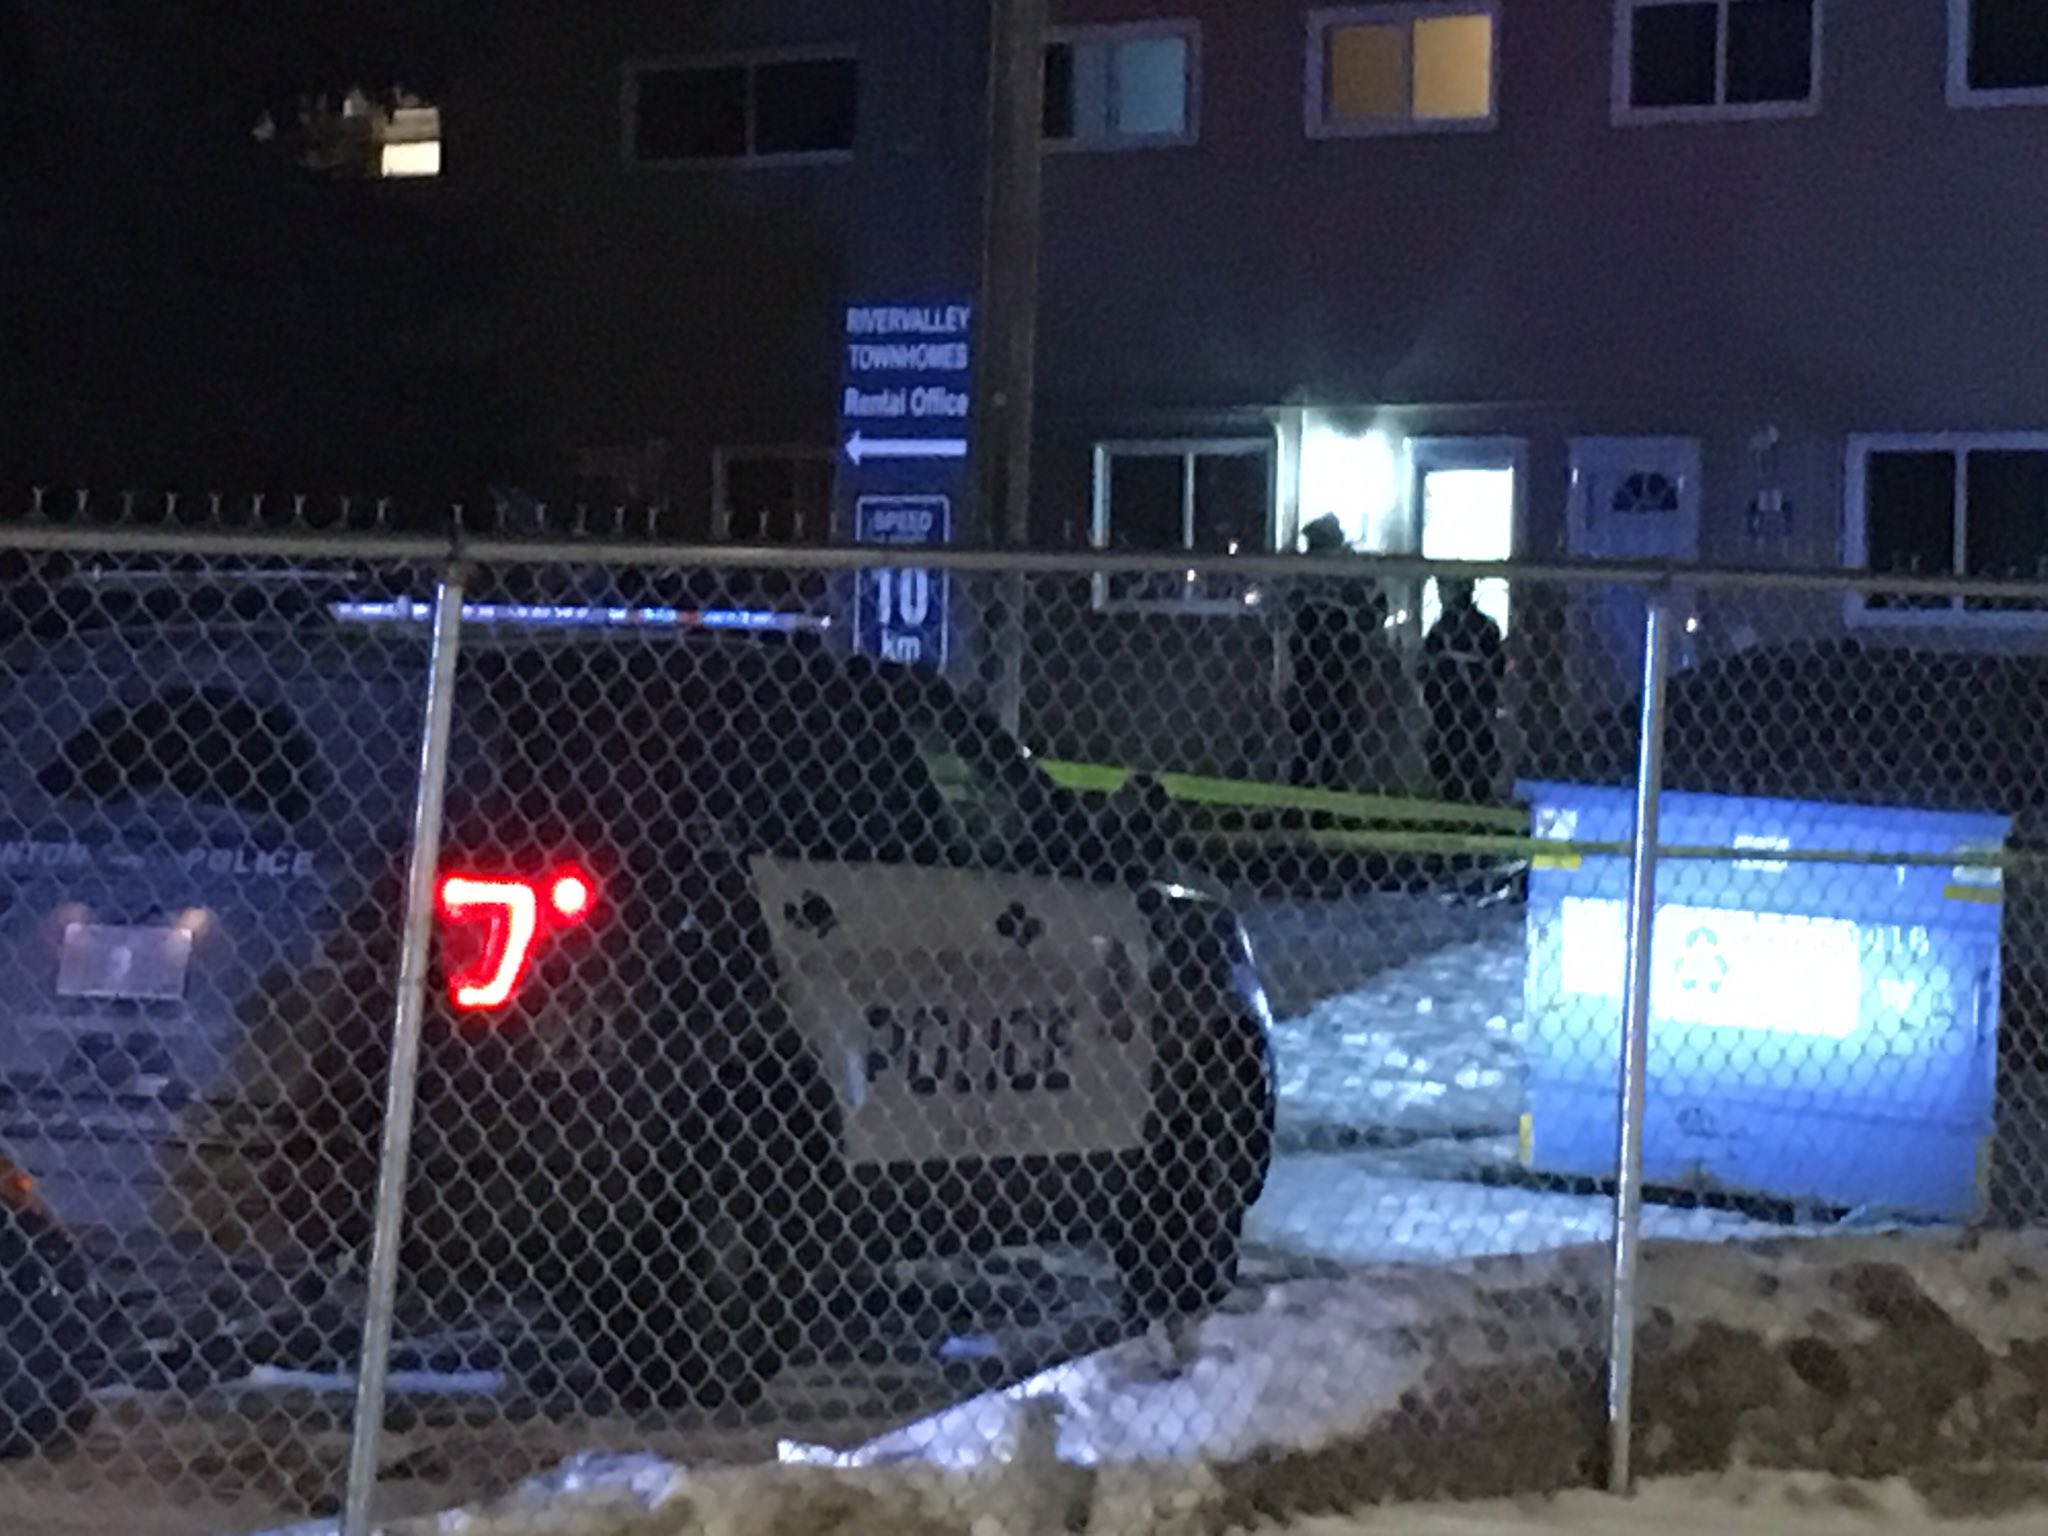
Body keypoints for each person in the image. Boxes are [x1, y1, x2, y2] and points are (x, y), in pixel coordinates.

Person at [1284, 515, 1381, 789]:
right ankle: (1311, 789)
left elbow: (1371, 612)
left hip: (1336, 662)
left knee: (1330, 732)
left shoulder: (1347, 575)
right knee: (1314, 733)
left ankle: (1322, 790)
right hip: (1315, 663)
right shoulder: (1311, 576)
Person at [1421, 578, 1506, 803]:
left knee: (1470, 745)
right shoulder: (1441, 629)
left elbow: (1497, 666)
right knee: (1452, 746)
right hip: (1450, 700)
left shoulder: (1483, 627)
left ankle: (1471, 792)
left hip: (1470, 700)